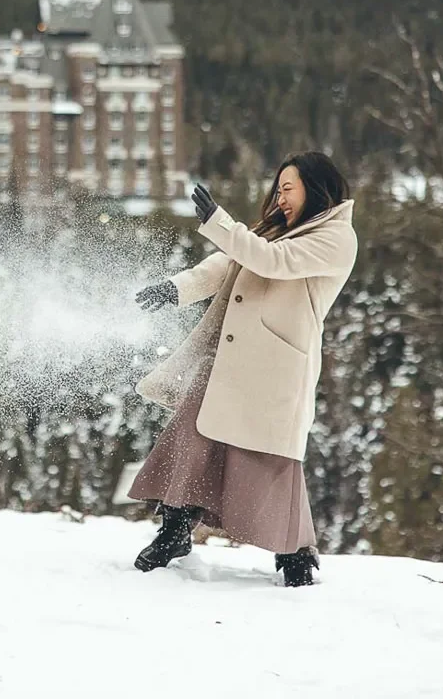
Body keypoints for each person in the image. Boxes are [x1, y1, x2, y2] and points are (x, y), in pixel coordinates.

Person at [129, 152, 357, 587]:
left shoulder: (335, 237)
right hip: (231, 358)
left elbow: (270, 260)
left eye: (288, 188)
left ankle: (295, 556)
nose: (280, 197)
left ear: (316, 187)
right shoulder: (277, 227)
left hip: (277, 366)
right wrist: (176, 288)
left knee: (272, 460)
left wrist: (220, 221)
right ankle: (175, 529)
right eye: (278, 189)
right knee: (192, 430)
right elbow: (228, 262)